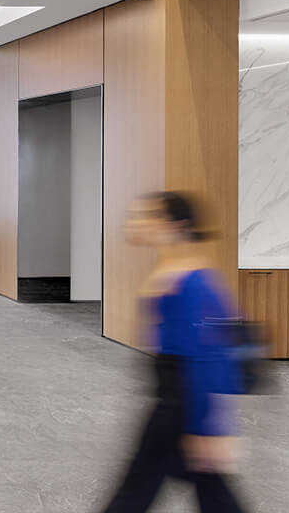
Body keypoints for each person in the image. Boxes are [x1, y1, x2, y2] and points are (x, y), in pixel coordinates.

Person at [99, 191, 246, 513]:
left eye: (147, 216)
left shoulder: (194, 281)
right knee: (210, 493)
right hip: (173, 395)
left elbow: (209, 356)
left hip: (180, 401)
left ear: (174, 225)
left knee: (136, 491)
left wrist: (207, 428)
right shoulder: (174, 271)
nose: (136, 222)